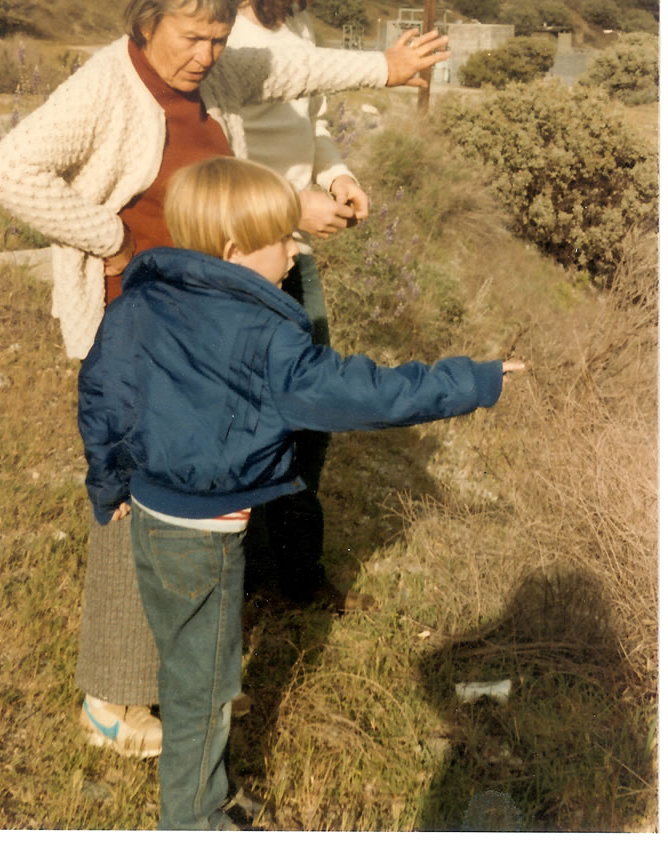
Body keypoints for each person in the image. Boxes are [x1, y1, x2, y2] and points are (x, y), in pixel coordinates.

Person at [0, 0, 450, 760]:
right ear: (147, 21)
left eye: (217, 40)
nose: (204, 56)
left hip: (195, 323)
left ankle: (168, 655)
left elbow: (290, 70)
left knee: (185, 494)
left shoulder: (218, 75)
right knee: (132, 497)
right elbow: (7, 171)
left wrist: (386, 66)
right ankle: (111, 700)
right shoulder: (106, 85)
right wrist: (114, 234)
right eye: (189, 38)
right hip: (137, 325)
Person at [77, 155, 525, 831]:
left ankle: (203, 791)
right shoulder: (269, 337)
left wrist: (109, 479)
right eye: (283, 238)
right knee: (205, 690)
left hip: (150, 519)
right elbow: (368, 393)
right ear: (232, 251)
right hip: (205, 539)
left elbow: (103, 392)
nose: (295, 252)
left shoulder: (143, 302)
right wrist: (474, 380)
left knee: (186, 668)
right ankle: (193, 818)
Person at [226, 0, 374, 608]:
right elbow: (217, 166)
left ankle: (297, 570)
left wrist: (338, 173)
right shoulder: (226, 41)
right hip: (242, 252)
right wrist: (290, 208)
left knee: (309, 406)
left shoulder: (298, 34)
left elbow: (312, 127)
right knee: (250, 413)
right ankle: (247, 567)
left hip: (296, 252)